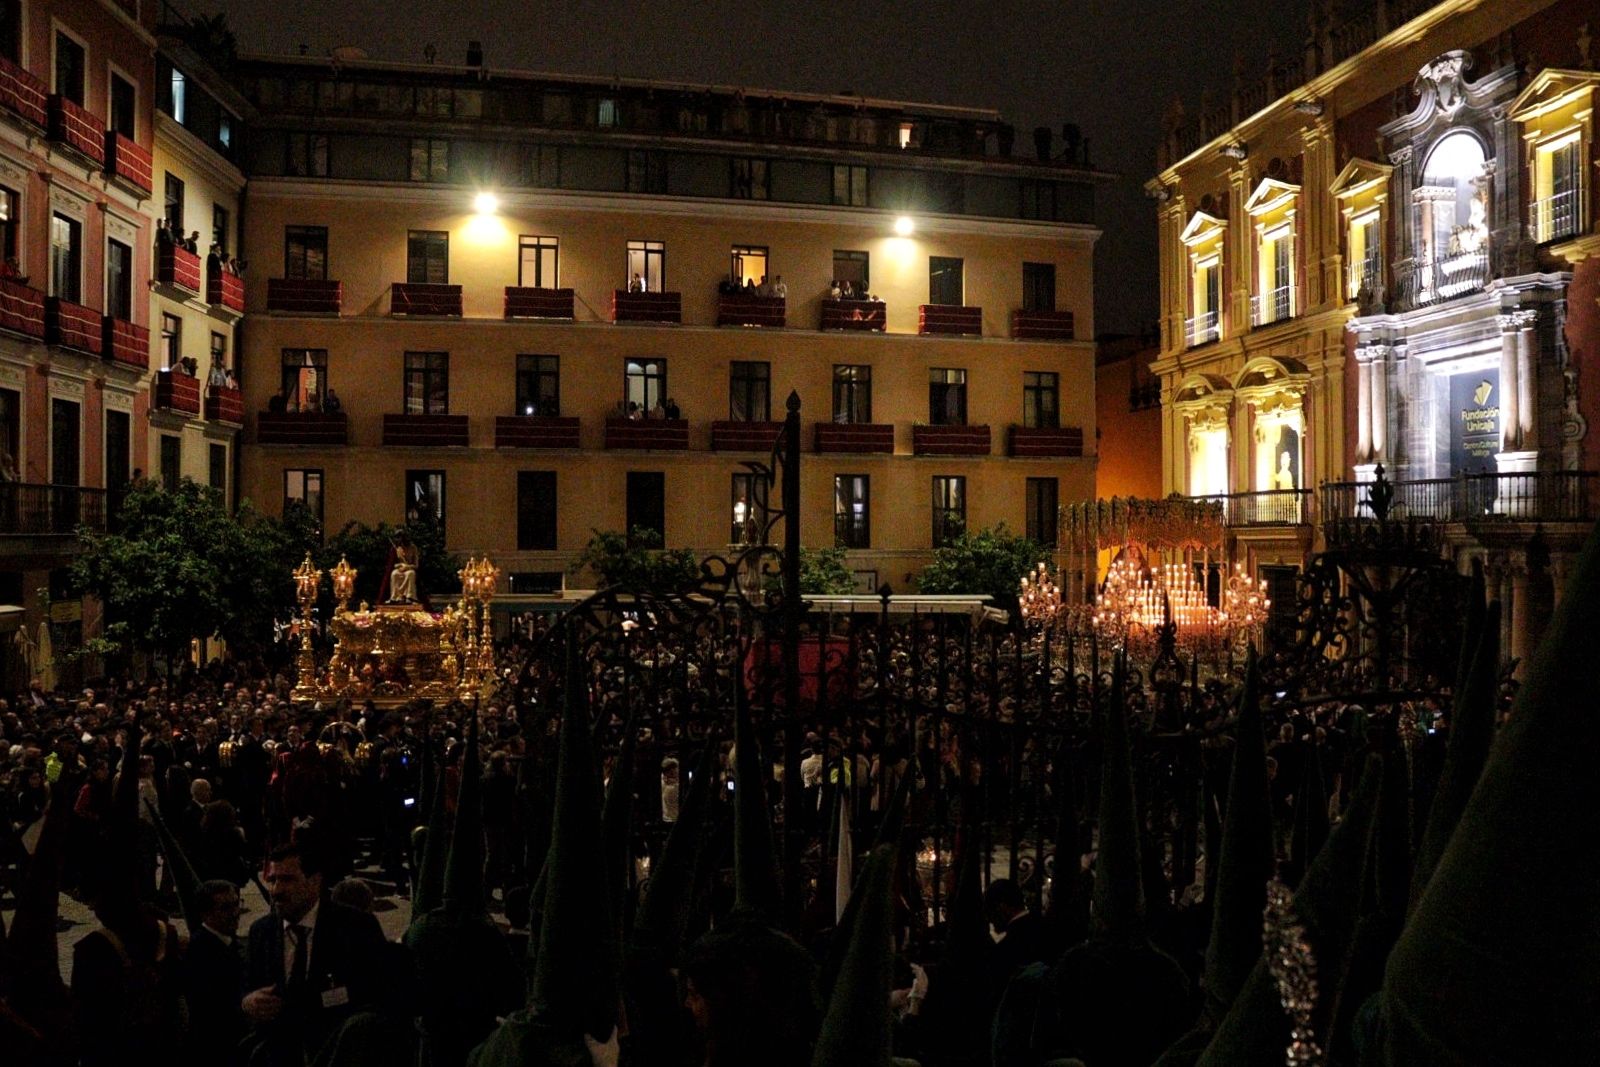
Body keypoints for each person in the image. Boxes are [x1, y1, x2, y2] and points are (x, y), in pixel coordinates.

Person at [241, 843, 388, 1067]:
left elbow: (379, 994)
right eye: (272, 881)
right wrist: (249, 1002)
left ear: (315, 881)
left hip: (338, 1051)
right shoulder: (262, 932)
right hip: (277, 1053)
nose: (276, 891)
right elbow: (248, 986)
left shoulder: (356, 927)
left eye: (287, 880)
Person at [183, 880, 247, 1066]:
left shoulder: (228, 941)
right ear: (206, 913)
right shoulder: (200, 952)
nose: (236, 913)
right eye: (226, 908)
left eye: (237, 904)